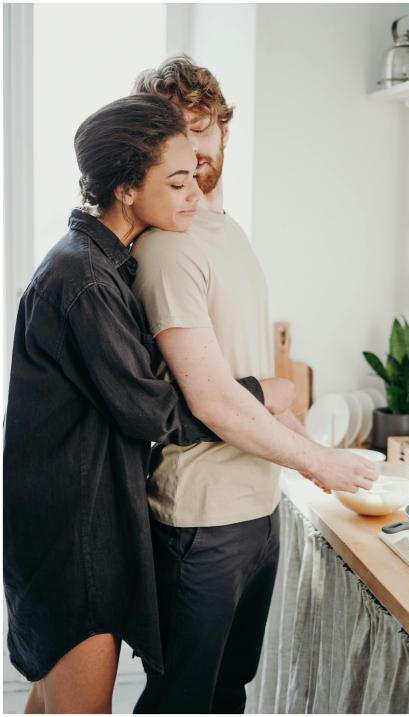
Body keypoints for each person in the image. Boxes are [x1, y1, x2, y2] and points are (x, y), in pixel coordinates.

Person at [3, 94, 276, 714]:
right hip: (75, 541)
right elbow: (151, 411)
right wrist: (260, 396)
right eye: (177, 181)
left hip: (65, 524)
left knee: (48, 703)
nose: (193, 193)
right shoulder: (84, 282)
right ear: (127, 188)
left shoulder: (96, 263)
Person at [130, 57, 377, 714]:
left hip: (255, 508)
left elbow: (243, 369)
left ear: (224, 131)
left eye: (206, 129)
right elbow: (208, 399)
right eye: (179, 132)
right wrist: (316, 459)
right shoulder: (168, 245)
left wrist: (297, 442)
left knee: (227, 694)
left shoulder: (222, 228)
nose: (199, 147)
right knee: (181, 700)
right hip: (201, 521)